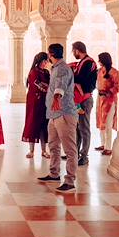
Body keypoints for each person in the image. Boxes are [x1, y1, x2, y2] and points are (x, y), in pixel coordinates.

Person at [38, 44, 78, 193]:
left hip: (64, 114)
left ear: (50, 54)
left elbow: (60, 85)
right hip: (54, 115)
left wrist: (56, 97)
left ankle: (70, 180)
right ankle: (54, 173)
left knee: (69, 149)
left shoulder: (61, 68)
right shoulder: (55, 68)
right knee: (53, 146)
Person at [71, 41, 97, 166]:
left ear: (77, 50)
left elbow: (80, 78)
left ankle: (84, 156)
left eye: (73, 51)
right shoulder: (82, 62)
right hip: (78, 99)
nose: (73, 53)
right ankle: (75, 154)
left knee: (84, 128)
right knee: (78, 128)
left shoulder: (88, 62)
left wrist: (69, 72)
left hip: (85, 99)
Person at [22, 52, 50, 159]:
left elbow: (50, 84)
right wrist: (49, 88)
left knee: (44, 126)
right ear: (39, 61)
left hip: (44, 102)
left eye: (47, 61)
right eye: (44, 61)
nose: (46, 63)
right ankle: (31, 151)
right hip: (34, 102)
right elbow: (37, 84)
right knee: (32, 124)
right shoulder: (33, 72)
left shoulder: (46, 72)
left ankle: (44, 151)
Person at [95, 52, 119, 156]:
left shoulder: (114, 72)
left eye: (99, 59)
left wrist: (109, 92)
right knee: (101, 121)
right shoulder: (100, 71)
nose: (98, 61)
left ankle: (108, 148)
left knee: (108, 123)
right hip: (99, 98)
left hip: (109, 100)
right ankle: (103, 144)